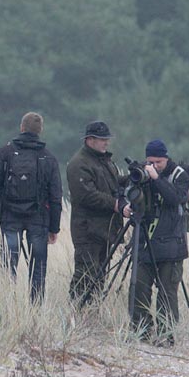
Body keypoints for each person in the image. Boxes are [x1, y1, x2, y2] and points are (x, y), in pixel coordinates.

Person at [0, 112, 62, 304]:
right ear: (40, 131)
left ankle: (8, 307)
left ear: (21, 128)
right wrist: (54, 228)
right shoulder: (48, 157)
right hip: (39, 219)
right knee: (38, 269)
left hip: (10, 216)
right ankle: (35, 310)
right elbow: (56, 197)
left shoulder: (5, 152)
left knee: (9, 266)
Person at [129, 139, 189, 346]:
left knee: (167, 293)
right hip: (146, 242)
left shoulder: (180, 175)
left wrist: (156, 179)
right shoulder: (144, 172)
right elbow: (130, 194)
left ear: (166, 158)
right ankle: (141, 332)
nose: (154, 166)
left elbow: (175, 199)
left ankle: (166, 336)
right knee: (139, 288)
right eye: (150, 162)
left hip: (172, 244)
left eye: (158, 162)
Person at [66, 121, 127, 305]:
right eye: (102, 139)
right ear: (89, 140)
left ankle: (92, 313)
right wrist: (116, 204)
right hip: (87, 230)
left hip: (104, 229)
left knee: (100, 276)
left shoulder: (104, 161)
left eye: (107, 139)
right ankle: (77, 312)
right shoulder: (79, 163)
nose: (106, 143)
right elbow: (87, 195)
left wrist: (131, 179)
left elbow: (113, 184)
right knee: (85, 274)